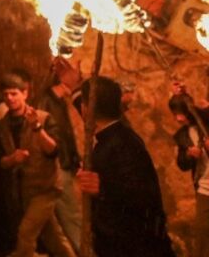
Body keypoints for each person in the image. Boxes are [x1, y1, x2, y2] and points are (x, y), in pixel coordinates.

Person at [76, 76, 174, 257]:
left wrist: (102, 187)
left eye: (82, 102)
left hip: (133, 247)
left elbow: (142, 195)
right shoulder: (115, 136)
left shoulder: (121, 144)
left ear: (86, 108)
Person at [0, 73, 75, 257]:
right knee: (54, 238)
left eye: (14, 93)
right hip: (23, 191)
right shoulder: (2, 125)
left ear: (25, 93)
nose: (9, 98)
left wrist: (37, 128)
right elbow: (1, 162)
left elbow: (53, 150)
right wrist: (13, 159)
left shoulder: (43, 118)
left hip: (46, 188)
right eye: (6, 94)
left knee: (25, 234)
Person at [39, 73, 83, 252]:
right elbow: (52, 138)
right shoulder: (46, 104)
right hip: (57, 166)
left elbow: (67, 135)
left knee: (70, 214)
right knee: (70, 215)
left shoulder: (58, 103)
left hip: (64, 164)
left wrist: (74, 160)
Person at [170, 84, 209, 257]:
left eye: (181, 113)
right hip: (204, 188)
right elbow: (182, 164)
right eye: (175, 114)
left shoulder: (205, 123)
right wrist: (189, 155)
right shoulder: (181, 136)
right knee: (202, 233)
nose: (178, 119)